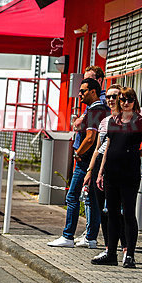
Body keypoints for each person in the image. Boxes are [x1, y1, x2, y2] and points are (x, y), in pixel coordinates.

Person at [92, 87, 142, 268]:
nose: (126, 103)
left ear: (135, 102)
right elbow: (107, 146)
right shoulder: (113, 121)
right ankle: (111, 253)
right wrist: (100, 172)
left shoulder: (140, 122)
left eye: (130, 99)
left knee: (128, 213)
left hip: (129, 174)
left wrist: (130, 155)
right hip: (111, 173)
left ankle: (130, 255)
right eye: (123, 99)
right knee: (111, 213)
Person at [48, 78, 109, 247]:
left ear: (93, 92)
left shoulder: (95, 111)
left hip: (86, 162)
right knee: (92, 200)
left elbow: (90, 138)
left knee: (73, 196)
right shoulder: (100, 110)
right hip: (95, 162)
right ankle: (90, 238)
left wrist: (77, 152)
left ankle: (68, 236)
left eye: (83, 91)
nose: (80, 94)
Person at [83, 84, 127, 252]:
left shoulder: (128, 120)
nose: (110, 100)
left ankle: (124, 246)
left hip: (118, 165)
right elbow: (97, 148)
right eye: (107, 96)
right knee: (102, 209)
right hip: (100, 163)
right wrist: (89, 171)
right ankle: (109, 247)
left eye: (114, 97)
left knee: (119, 210)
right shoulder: (104, 121)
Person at [73, 66, 106, 246]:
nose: (82, 90)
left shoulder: (99, 104)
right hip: (87, 155)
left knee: (84, 197)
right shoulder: (92, 106)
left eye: (90, 80)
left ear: (98, 82)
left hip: (88, 156)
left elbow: (92, 136)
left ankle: (89, 236)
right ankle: (89, 234)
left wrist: (78, 154)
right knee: (88, 198)